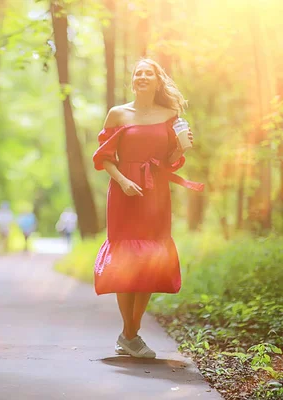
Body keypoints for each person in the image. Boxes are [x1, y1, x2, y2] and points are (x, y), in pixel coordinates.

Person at [92, 58, 204, 359]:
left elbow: (169, 161)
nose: (142, 77)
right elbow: (104, 157)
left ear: (157, 81)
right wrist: (123, 181)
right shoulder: (118, 114)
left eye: (148, 73)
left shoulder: (171, 114)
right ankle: (130, 335)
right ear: (133, 81)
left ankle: (130, 333)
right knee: (126, 259)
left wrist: (181, 147)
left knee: (150, 259)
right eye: (138, 73)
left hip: (155, 193)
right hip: (123, 191)